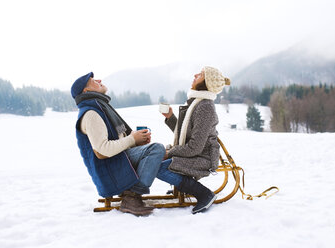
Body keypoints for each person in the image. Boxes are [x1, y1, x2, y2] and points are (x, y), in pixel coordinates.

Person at [71, 72, 165, 216]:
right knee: (156, 149)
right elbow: (102, 151)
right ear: (86, 91)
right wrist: (132, 139)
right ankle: (131, 197)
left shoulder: (101, 107)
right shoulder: (91, 113)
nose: (99, 80)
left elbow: (120, 136)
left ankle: (131, 195)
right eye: (93, 81)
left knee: (152, 150)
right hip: (110, 167)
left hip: (117, 159)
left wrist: (137, 141)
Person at [156, 66, 230, 214]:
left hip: (203, 157)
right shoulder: (197, 102)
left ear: (206, 82)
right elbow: (187, 133)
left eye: (201, 74)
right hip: (195, 153)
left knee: (158, 167)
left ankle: (204, 194)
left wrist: (170, 152)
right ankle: (184, 185)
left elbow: (194, 147)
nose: (195, 75)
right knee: (156, 159)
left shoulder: (205, 107)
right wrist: (170, 118)